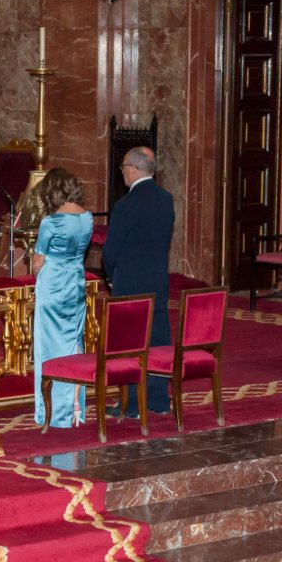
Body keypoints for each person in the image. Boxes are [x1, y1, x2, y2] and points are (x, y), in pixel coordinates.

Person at [102, 146, 175, 415]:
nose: (122, 172)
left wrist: (111, 276)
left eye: (122, 168)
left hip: (129, 283)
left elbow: (110, 250)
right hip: (157, 279)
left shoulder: (125, 205)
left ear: (133, 169)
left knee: (129, 343)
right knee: (157, 338)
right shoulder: (166, 200)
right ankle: (157, 399)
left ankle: (131, 403)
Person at [31, 168, 93, 428]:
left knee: (49, 345)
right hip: (76, 281)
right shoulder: (87, 217)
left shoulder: (51, 221)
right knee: (73, 340)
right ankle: (76, 405)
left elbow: (37, 261)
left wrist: (37, 274)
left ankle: (54, 411)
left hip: (53, 284)